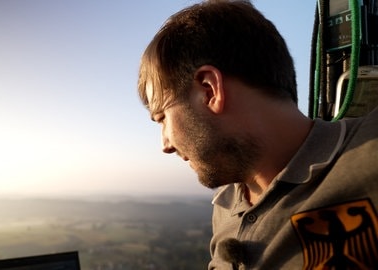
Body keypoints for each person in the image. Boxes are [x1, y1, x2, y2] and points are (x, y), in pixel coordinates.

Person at [137, 0, 378, 269]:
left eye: (162, 118)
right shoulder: (226, 205)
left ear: (209, 91)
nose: (165, 145)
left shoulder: (370, 152)